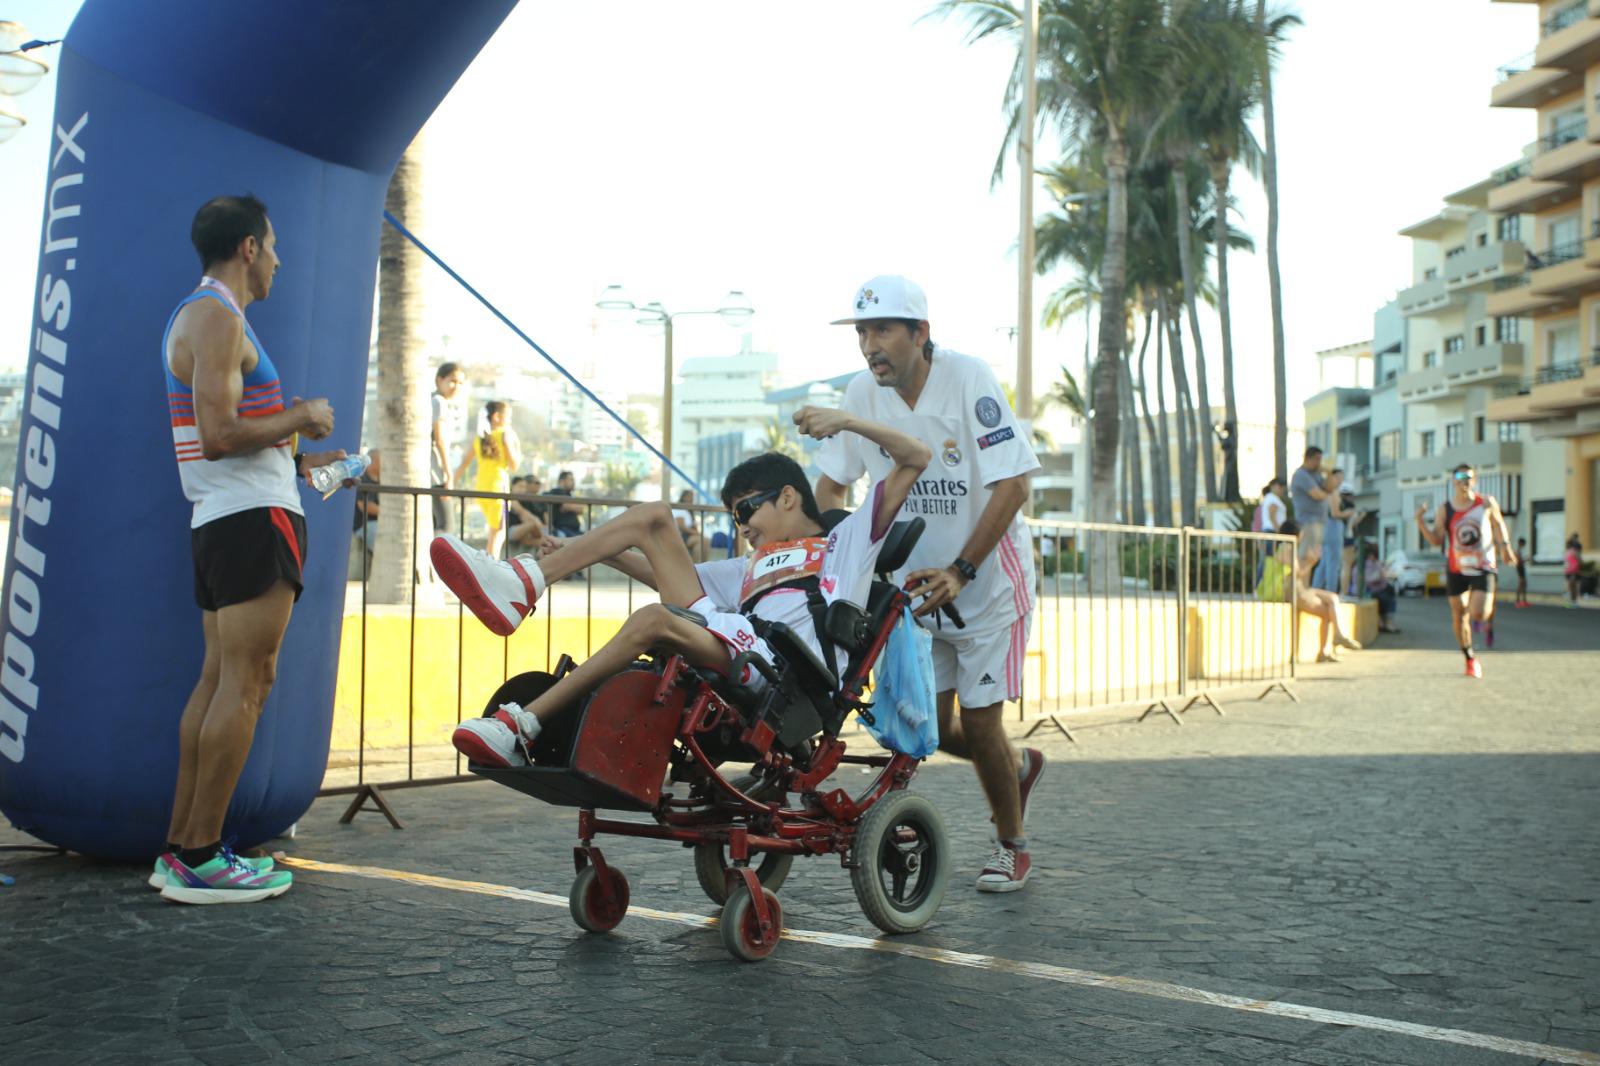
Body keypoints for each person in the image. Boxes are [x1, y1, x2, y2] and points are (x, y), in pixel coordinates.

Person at [431, 408, 931, 763]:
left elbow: (916, 456)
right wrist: (576, 548)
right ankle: (524, 582)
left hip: (787, 672)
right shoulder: (749, 565)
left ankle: (522, 724)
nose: (741, 525)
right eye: (734, 515)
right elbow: (667, 576)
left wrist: (845, 421)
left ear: (786, 497)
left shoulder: (846, 542)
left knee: (654, 620)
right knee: (653, 518)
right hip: (741, 643)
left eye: (745, 509)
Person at [812, 275, 1044, 894]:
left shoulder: (969, 377)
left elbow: (1014, 486)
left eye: (883, 329)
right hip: (917, 593)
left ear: (921, 333)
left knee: (982, 720)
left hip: (988, 584)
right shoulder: (860, 392)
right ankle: (1017, 769)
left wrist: (961, 570)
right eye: (862, 332)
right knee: (932, 731)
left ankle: (1010, 844)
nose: (869, 345)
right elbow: (832, 486)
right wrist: (841, 552)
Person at [158, 194, 342, 903]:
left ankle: (182, 850)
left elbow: (232, 438)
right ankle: (201, 857)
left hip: (231, 514)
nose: (279, 260)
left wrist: (303, 451)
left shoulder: (210, 318)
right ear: (246, 249)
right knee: (247, 682)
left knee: (219, 681)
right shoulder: (213, 316)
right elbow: (220, 434)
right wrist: (304, 414)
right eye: (272, 246)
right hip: (247, 520)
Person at [1415, 463, 1516, 678]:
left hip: (1483, 566)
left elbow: (1498, 524)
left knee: (1478, 613)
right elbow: (1436, 539)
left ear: (1475, 480)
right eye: (1460, 477)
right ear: (1453, 481)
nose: (1464, 481)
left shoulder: (1486, 502)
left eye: (1469, 477)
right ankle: (1470, 658)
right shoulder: (1446, 509)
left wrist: (1505, 546)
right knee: (1459, 614)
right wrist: (1420, 522)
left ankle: (1483, 617)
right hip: (1457, 567)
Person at [1258, 520, 1363, 662]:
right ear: (1297, 534)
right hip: (1291, 591)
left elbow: (1297, 572)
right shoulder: (1286, 547)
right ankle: (1329, 645)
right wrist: (1310, 561)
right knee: (1328, 611)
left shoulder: (1284, 547)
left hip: (1296, 588)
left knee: (1332, 599)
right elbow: (1298, 572)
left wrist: (1311, 561)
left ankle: (1333, 641)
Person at [454, 400, 521, 560]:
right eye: (508, 417)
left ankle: (489, 562)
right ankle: (491, 566)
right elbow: (514, 465)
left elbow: (464, 462)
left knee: (493, 531)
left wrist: (451, 483)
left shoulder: (480, 438)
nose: (510, 421)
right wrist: (510, 443)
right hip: (498, 488)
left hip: (482, 488)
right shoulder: (506, 434)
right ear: (497, 417)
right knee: (499, 533)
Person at [430, 362, 467, 536]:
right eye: (452, 381)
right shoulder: (438, 402)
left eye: (460, 383)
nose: (456, 387)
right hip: (436, 472)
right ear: (440, 380)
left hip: (432, 471)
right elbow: (440, 439)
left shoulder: (435, 400)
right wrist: (448, 473)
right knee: (446, 526)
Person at [1289, 447, 1334, 573]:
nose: (1319, 462)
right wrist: (1328, 493)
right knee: (1305, 556)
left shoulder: (1316, 475)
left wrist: (1329, 473)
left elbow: (1330, 487)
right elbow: (1317, 495)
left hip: (1319, 521)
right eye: (1317, 459)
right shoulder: (1301, 475)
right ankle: (1300, 587)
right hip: (1308, 521)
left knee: (1312, 559)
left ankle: (1305, 587)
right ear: (1308, 458)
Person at [1312, 469, 1351, 592]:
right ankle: (1331, 591)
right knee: (1332, 562)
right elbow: (1335, 513)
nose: (1341, 481)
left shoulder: (1326, 491)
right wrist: (1348, 513)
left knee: (1324, 562)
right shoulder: (1332, 492)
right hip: (1332, 526)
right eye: (1339, 477)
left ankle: (1316, 589)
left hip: (1326, 526)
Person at [352, 448, 382, 565]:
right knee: (381, 540)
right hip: (364, 525)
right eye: (381, 460)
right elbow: (363, 505)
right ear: (372, 461)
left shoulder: (383, 479)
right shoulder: (362, 479)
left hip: (379, 523)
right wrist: (387, 512)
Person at [1362, 544, 1399, 633]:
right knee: (1385, 598)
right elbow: (1368, 579)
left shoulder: (1376, 563)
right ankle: (1385, 623)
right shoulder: (1367, 564)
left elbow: (1382, 575)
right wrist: (1380, 574)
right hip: (1369, 590)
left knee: (1389, 594)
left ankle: (1386, 622)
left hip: (1378, 589)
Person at [506, 474, 546, 555]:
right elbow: (523, 514)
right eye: (520, 486)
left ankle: (543, 543)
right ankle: (544, 543)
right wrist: (536, 522)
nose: (523, 489)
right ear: (512, 486)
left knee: (532, 530)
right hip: (511, 530)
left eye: (524, 487)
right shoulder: (511, 499)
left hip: (526, 533)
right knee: (532, 525)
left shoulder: (526, 501)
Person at [672, 489, 705, 562]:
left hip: (687, 536)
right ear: (684, 497)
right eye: (690, 497)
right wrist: (695, 533)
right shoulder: (679, 509)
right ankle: (695, 567)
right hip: (680, 536)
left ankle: (701, 565)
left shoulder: (689, 511)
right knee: (701, 540)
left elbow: (693, 526)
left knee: (704, 541)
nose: (692, 499)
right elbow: (682, 527)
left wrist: (696, 530)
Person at [1566, 534, 1584, 608]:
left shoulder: (1576, 551)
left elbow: (1580, 561)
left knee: (1573, 586)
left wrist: (1578, 566)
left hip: (1574, 571)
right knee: (1571, 587)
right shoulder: (1569, 551)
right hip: (1569, 571)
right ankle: (1572, 601)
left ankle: (1574, 602)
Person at [1513, 537, 1530, 608]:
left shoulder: (1519, 550)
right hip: (1520, 568)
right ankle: (1517, 601)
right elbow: (1519, 561)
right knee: (1521, 584)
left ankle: (1524, 600)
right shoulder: (1518, 551)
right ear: (1521, 543)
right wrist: (1526, 559)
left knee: (1524, 584)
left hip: (1521, 568)